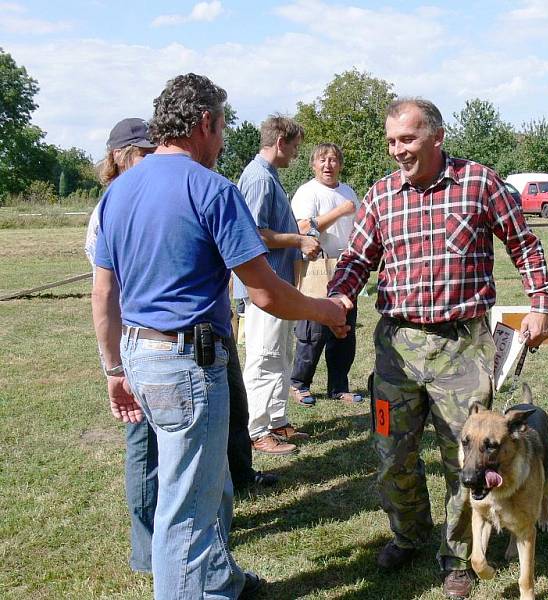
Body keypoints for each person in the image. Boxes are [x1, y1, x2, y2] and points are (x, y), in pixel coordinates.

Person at [91, 73, 351, 600]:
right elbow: (266, 294)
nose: (224, 139)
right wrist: (326, 310)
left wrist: (114, 369)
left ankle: (218, 580)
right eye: (223, 126)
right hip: (187, 362)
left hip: (140, 356)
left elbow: (104, 294)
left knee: (202, 485)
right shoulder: (212, 188)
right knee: (187, 506)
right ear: (205, 123)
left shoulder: (119, 194)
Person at [327, 98, 548, 599]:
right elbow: (356, 260)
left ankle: (455, 556)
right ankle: (408, 535)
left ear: (437, 135)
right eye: (391, 141)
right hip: (397, 351)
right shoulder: (381, 195)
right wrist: (339, 297)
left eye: (406, 139)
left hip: (462, 348)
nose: (397, 150)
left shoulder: (480, 183)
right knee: (390, 453)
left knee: (467, 460)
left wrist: (540, 303)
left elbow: (524, 243)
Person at [85, 117, 157, 574]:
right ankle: (147, 549)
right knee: (144, 443)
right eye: (143, 153)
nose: (152, 160)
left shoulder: (143, 198)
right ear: (119, 156)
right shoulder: (110, 208)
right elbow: (105, 292)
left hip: (152, 338)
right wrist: (113, 367)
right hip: (133, 341)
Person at [232, 116, 321, 456]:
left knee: (280, 355)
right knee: (263, 357)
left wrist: (295, 233)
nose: (296, 155)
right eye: (295, 148)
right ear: (280, 142)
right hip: (262, 288)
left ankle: (277, 421)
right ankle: (257, 430)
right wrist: (298, 240)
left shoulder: (269, 177)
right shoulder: (257, 178)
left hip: (277, 286)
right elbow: (253, 233)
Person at [290, 143, 361, 405]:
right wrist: (340, 211)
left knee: (344, 329)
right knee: (314, 331)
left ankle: (339, 386)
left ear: (340, 164)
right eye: (323, 160)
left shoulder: (348, 192)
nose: (328, 165)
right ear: (313, 165)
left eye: (333, 160)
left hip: (346, 270)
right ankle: (299, 383)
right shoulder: (307, 192)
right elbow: (303, 227)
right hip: (317, 270)